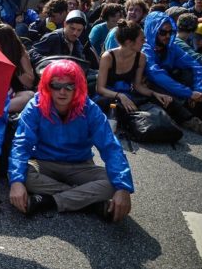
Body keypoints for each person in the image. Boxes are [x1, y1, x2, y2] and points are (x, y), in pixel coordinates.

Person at [8, 60, 134, 222]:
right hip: (44, 163)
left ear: (78, 87)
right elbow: (21, 144)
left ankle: (50, 200)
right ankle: (88, 201)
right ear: (47, 86)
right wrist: (16, 182)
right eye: (56, 85)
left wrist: (123, 188)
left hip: (81, 165)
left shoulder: (90, 109)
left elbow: (110, 147)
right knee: (21, 175)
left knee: (113, 184)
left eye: (69, 86)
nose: (62, 91)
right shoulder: (35, 106)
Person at [142, 11, 202, 134]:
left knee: (189, 72)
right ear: (153, 31)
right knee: (158, 86)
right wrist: (189, 93)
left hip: (172, 83)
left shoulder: (172, 47)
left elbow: (196, 66)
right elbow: (156, 75)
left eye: (170, 32)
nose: (167, 36)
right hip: (150, 87)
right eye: (163, 32)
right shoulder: (145, 49)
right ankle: (189, 120)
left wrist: (199, 91)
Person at [0, 24, 35, 112]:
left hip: (14, 95)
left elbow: (29, 83)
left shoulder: (20, 53)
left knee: (30, 96)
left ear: (3, 41)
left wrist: (12, 62)